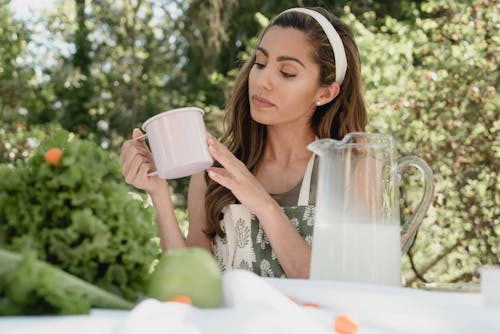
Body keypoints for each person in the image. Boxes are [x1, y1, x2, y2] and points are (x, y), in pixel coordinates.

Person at [120, 7, 366, 279]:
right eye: (260, 63)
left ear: (326, 92)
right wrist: (159, 195)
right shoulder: (212, 172)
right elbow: (192, 283)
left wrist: (263, 204)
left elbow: (345, 289)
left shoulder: (353, 171)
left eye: (286, 72)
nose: (262, 81)